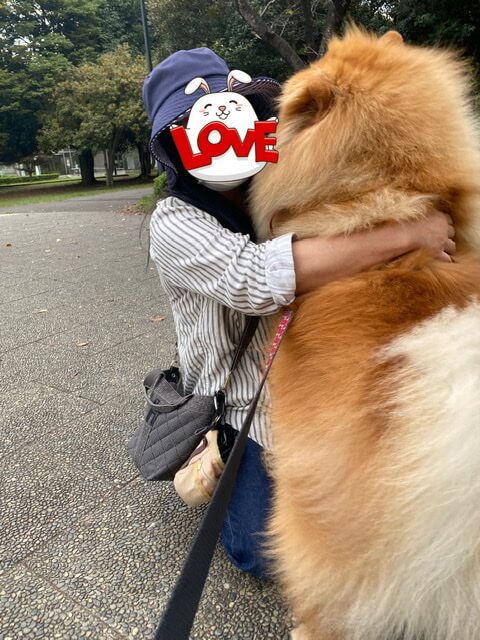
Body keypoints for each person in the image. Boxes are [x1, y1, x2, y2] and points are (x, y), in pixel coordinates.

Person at [142, 48, 455, 581]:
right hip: (240, 402)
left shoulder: (279, 181)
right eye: (199, 127)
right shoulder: (174, 222)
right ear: (176, 146)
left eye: (235, 114)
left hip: (309, 377)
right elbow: (256, 278)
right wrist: (409, 234)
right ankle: (206, 445)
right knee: (264, 553)